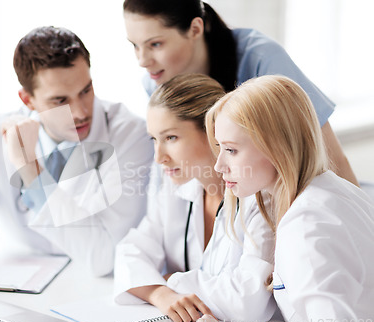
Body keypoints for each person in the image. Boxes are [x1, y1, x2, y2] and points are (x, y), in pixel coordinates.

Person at [0, 26, 153, 277]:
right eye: (60, 101)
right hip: (17, 285)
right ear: (27, 100)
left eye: (86, 91)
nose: (81, 112)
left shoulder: (131, 135)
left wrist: (30, 169)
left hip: (92, 287)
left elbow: (105, 256)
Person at [198, 75, 374, 322]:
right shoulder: (333, 191)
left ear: (276, 147)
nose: (219, 165)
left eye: (231, 150)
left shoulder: (306, 224)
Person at [122, 0, 359, 186]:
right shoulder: (155, 81)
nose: (142, 60)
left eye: (155, 44)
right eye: (134, 45)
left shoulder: (262, 60)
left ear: (195, 28)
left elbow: (330, 159)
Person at [114, 73, 275, 322]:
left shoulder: (260, 196)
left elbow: (248, 300)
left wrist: (174, 279)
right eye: (154, 139)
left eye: (171, 138)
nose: (159, 157)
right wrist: (160, 293)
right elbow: (131, 250)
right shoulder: (176, 187)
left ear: (213, 131)